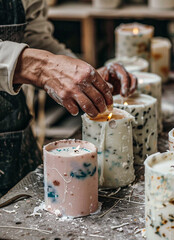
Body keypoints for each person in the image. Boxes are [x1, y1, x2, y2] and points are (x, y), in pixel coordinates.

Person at [0, 0, 137, 195]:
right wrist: (41, 67)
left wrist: (84, 76)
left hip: (14, 136)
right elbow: (39, 63)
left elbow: (31, 37)